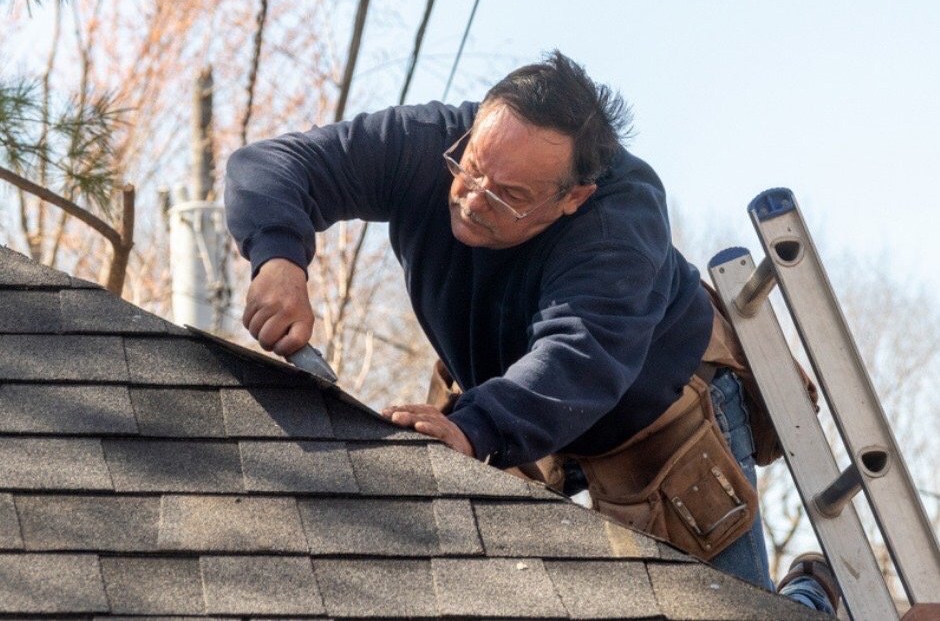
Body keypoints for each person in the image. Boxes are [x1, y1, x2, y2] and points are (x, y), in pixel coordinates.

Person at [224, 51, 837, 614]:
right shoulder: (429, 142)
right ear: (472, 132)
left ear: (574, 198)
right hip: (507, 406)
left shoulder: (619, 222)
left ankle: (813, 594)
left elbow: (579, 357)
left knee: (725, 610)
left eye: (509, 196)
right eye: (470, 172)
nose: (472, 200)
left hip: (657, 415)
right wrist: (279, 258)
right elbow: (272, 164)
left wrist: (471, 429)